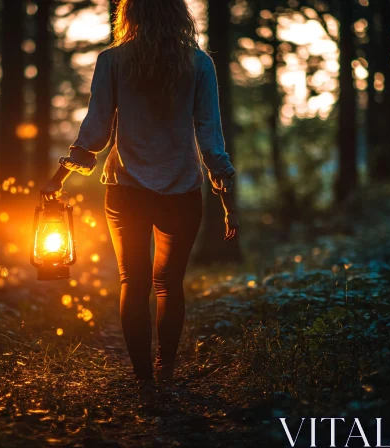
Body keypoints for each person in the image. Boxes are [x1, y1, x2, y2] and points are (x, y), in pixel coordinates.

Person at [40, 0, 238, 397]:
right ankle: (165, 373)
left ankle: (143, 377)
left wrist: (59, 175)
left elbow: (95, 130)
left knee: (133, 281)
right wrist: (224, 189)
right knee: (169, 284)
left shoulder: (113, 60)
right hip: (181, 189)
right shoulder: (198, 63)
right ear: (177, 14)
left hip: (126, 189)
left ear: (130, 13)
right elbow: (209, 134)